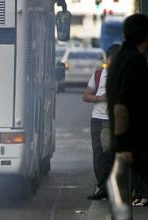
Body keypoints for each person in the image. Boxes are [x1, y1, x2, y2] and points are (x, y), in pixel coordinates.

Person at [106, 14, 148, 206]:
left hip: (124, 142)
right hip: (132, 144)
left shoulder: (120, 59)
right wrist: (124, 147)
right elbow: (122, 106)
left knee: (121, 202)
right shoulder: (135, 61)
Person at [83, 44, 121, 200]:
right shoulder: (99, 75)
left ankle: (108, 188)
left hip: (116, 120)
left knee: (112, 156)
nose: (112, 63)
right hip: (98, 120)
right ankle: (102, 187)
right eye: (111, 59)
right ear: (107, 59)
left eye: (116, 60)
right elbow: (86, 96)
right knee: (99, 156)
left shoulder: (124, 76)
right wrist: (101, 98)